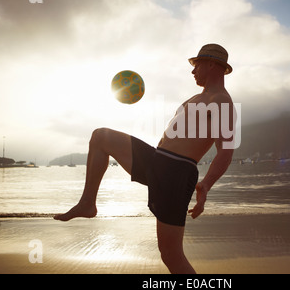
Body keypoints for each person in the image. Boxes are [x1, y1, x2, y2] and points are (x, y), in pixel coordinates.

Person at [54, 44, 236, 274]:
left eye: (196, 65)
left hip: (177, 173)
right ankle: (88, 203)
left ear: (211, 64)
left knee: (171, 255)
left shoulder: (222, 101)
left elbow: (226, 151)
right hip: (158, 160)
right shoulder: (198, 97)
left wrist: (206, 185)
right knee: (101, 137)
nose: (192, 71)